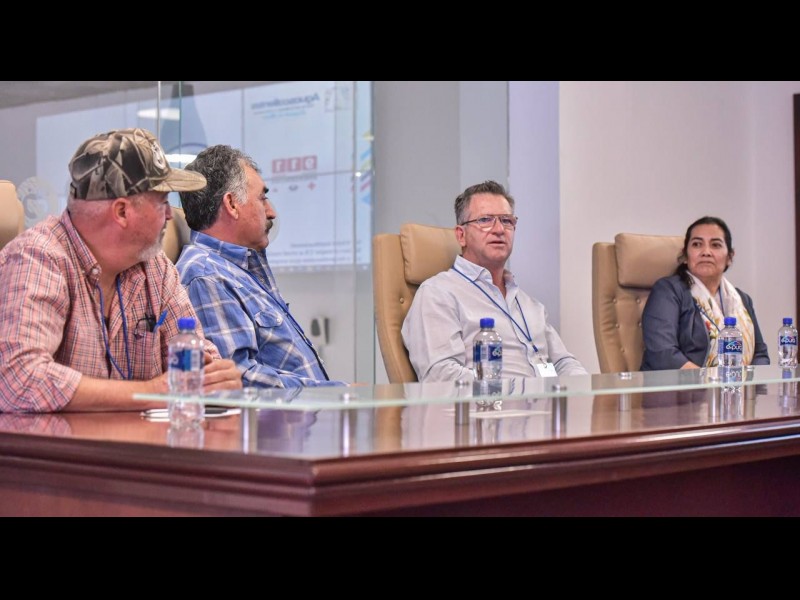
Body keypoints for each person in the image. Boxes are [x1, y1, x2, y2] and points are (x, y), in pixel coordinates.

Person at [0, 128, 243, 413]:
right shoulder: (38, 257)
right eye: (163, 202)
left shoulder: (155, 266)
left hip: (139, 438)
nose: (170, 215)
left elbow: (197, 359)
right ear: (122, 212)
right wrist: (154, 392)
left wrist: (215, 379)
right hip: (55, 443)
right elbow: (19, 379)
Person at [176, 145, 343, 388]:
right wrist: (336, 392)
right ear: (232, 204)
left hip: (306, 407)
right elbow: (239, 379)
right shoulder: (206, 275)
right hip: (286, 412)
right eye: (262, 198)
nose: (271, 212)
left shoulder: (237, 268)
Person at [401, 180, 588, 382]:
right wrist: (516, 392)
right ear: (461, 235)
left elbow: (563, 363)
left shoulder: (529, 304)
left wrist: (588, 392)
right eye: (485, 220)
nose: (499, 229)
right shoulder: (438, 294)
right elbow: (441, 376)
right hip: (490, 401)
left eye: (507, 221)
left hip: (544, 400)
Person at [641, 215, 769, 370]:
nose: (706, 252)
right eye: (697, 244)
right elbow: (663, 353)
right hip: (680, 384)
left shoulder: (742, 299)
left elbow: (760, 354)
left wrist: (748, 381)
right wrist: (709, 382)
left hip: (738, 385)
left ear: (730, 257)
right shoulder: (668, 290)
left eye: (715, 245)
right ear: (685, 255)